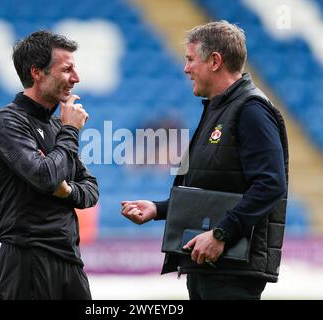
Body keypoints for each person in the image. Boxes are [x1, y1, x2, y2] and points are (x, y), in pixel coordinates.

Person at [121, 20, 288, 300]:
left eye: (190, 60)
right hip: (208, 265)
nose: (186, 69)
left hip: (232, 270)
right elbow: (212, 187)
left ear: (214, 61)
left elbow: (271, 185)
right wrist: (158, 209)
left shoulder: (251, 111)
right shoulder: (218, 108)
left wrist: (222, 234)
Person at [0, 30, 99, 300]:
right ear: (37, 72)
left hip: (69, 258)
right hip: (27, 259)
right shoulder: (7, 123)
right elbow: (47, 177)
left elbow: (91, 190)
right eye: (67, 69)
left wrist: (69, 191)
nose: (76, 78)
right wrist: (70, 131)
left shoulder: (57, 125)